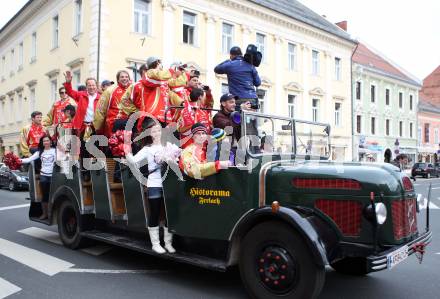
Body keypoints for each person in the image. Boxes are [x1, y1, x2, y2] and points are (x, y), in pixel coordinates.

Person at [125, 122, 180, 254]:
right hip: (154, 184)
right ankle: (155, 244)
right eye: (153, 131)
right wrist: (127, 152)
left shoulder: (169, 146)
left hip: (168, 185)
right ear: (150, 134)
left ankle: (168, 243)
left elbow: (178, 160)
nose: (156, 133)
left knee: (169, 214)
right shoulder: (147, 149)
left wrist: (172, 159)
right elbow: (134, 161)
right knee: (154, 213)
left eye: (158, 131)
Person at [21, 135, 56, 219]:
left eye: (47, 140)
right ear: (42, 143)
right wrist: (17, 160)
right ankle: (45, 214)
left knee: (53, 196)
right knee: (44, 196)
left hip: (53, 176)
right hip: (43, 176)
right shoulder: (40, 152)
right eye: (44, 141)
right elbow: (29, 159)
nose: (46, 142)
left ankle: (52, 214)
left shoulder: (55, 151)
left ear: (51, 142)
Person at [93, 70, 132, 137]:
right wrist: (97, 127)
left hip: (129, 125)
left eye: (126, 77)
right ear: (118, 79)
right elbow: (100, 110)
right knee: (114, 145)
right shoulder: (110, 91)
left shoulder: (133, 89)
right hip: (113, 125)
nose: (125, 78)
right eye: (122, 77)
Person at [63, 71, 100, 137]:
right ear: (86, 87)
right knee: (82, 146)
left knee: (95, 146)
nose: (91, 87)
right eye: (89, 85)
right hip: (82, 127)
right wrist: (68, 83)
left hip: (95, 127)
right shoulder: (81, 95)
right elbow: (70, 92)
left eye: (93, 85)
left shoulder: (101, 98)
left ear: (96, 86)